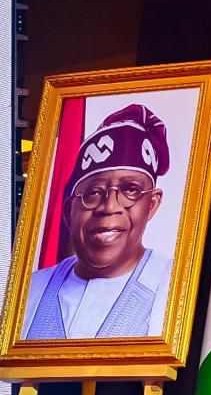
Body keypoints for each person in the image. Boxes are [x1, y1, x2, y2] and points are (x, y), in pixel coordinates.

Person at [22, 104, 172, 339]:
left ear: (151, 204)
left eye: (130, 190)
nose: (109, 207)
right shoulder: (28, 292)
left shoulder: (176, 287)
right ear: (69, 211)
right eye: (93, 193)